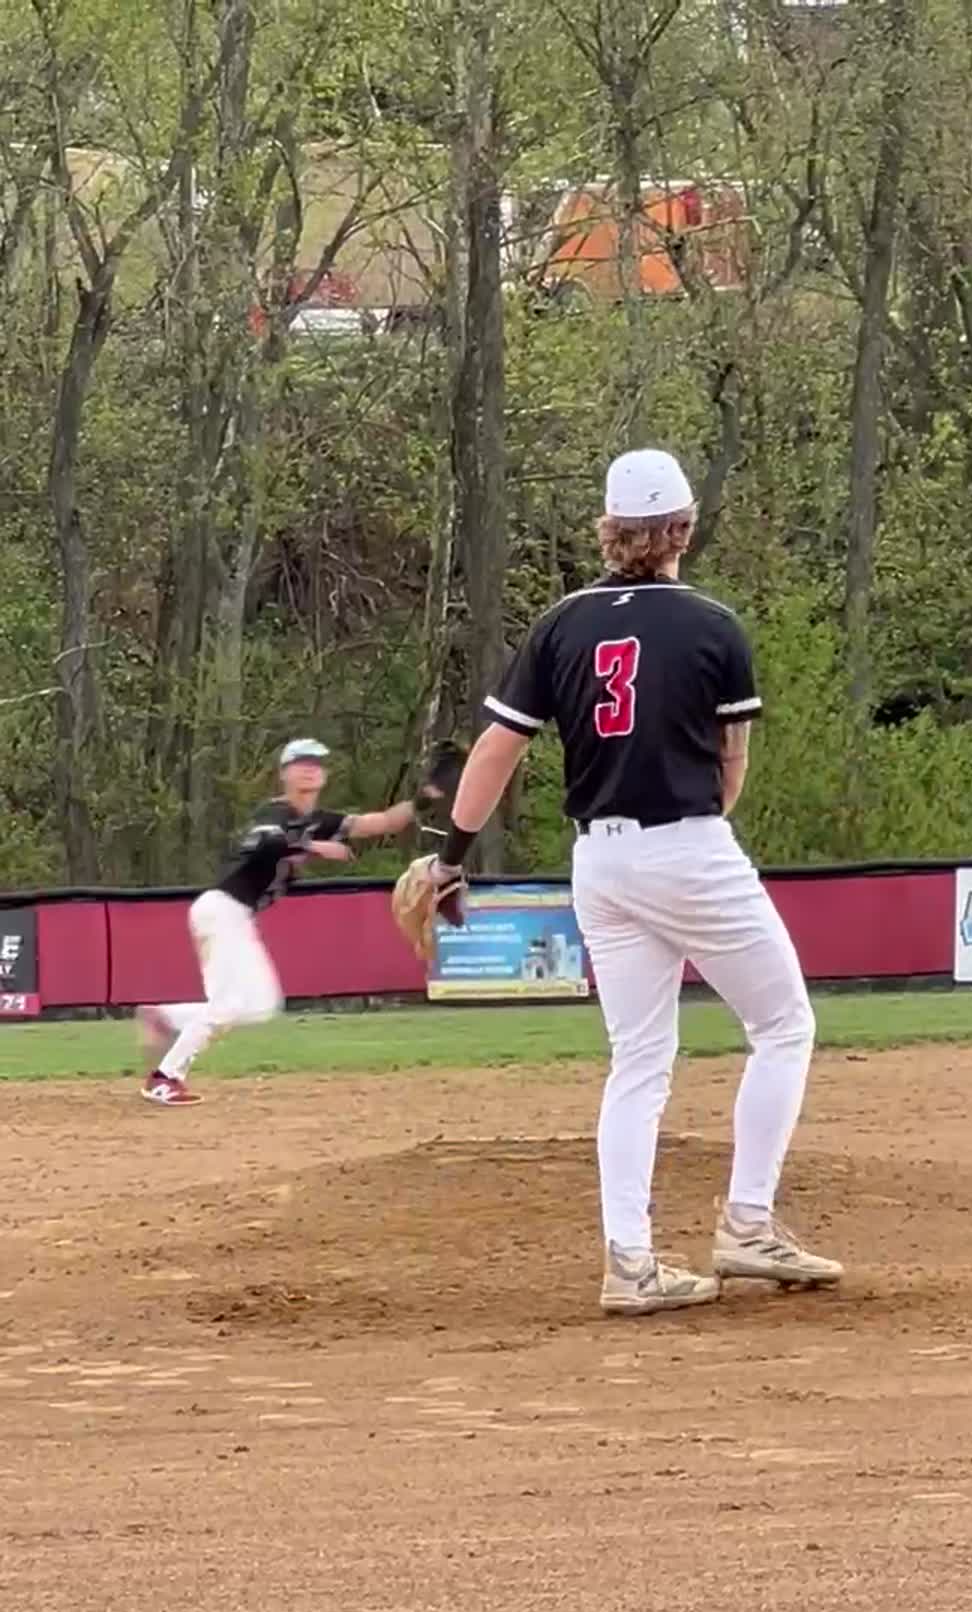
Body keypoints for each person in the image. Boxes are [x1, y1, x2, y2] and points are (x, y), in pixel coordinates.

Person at [422, 449, 842, 1315]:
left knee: (640, 1060)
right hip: (687, 845)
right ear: (684, 528)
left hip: (600, 862)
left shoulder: (560, 625)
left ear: (609, 533)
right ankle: (747, 1224)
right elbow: (731, 772)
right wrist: (696, 838)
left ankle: (631, 1263)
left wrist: (450, 856)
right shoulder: (716, 626)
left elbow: (497, 749)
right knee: (783, 1024)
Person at [137, 738, 421, 1107]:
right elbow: (264, 845)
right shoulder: (275, 812)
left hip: (235, 916)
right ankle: (165, 1077)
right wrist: (315, 847)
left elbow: (380, 822)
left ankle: (165, 1017)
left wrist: (428, 797)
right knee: (227, 1003)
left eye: (317, 762)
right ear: (284, 773)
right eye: (300, 762)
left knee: (260, 1005)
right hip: (221, 910)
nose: (309, 767)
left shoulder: (319, 821)